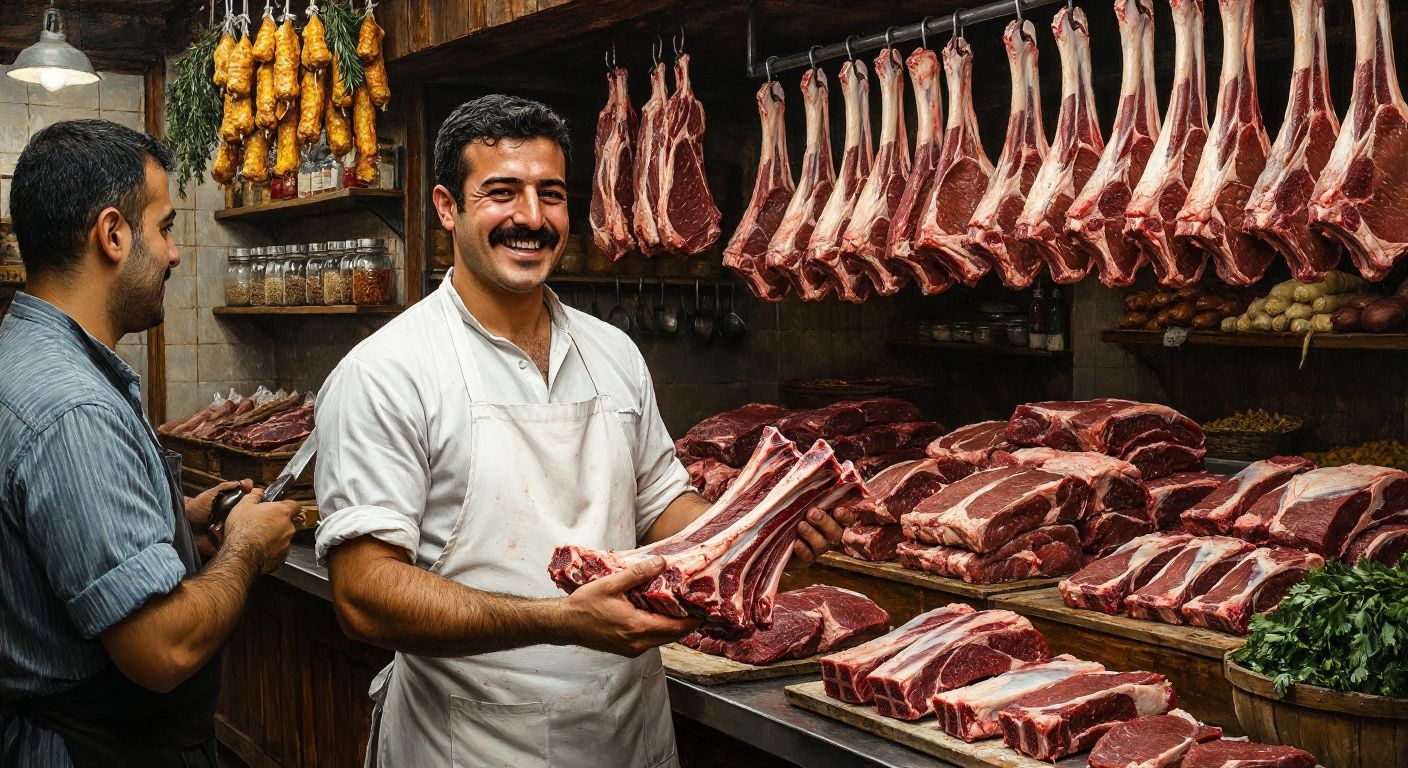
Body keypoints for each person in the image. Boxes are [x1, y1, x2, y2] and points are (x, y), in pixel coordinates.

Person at [314, 94, 854, 767]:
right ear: (446, 208)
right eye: (502, 193)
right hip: (475, 742)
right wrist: (560, 621)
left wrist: (755, 535)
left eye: (551, 194)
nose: (532, 219)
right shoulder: (387, 372)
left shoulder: (613, 352)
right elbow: (363, 594)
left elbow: (662, 506)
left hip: (627, 732)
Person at [0, 120, 301, 767]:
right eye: (165, 228)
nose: (175, 254)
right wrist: (245, 547)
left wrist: (176, 521)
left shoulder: (22, 352)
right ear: (112, 235)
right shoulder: (74, 408)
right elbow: (161, 651)